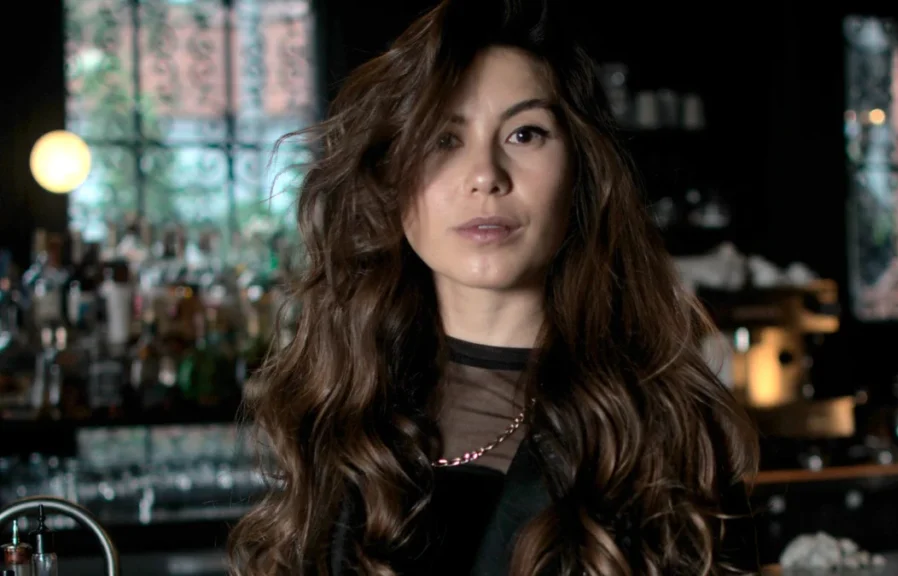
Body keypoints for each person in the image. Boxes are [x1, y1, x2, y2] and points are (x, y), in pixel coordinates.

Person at [227, 0, 758, 574]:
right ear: (390, 175)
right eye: (443, 138)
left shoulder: (662, 428)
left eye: (525, 134)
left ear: (581, 171)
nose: (485, 175)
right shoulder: (338, 400)